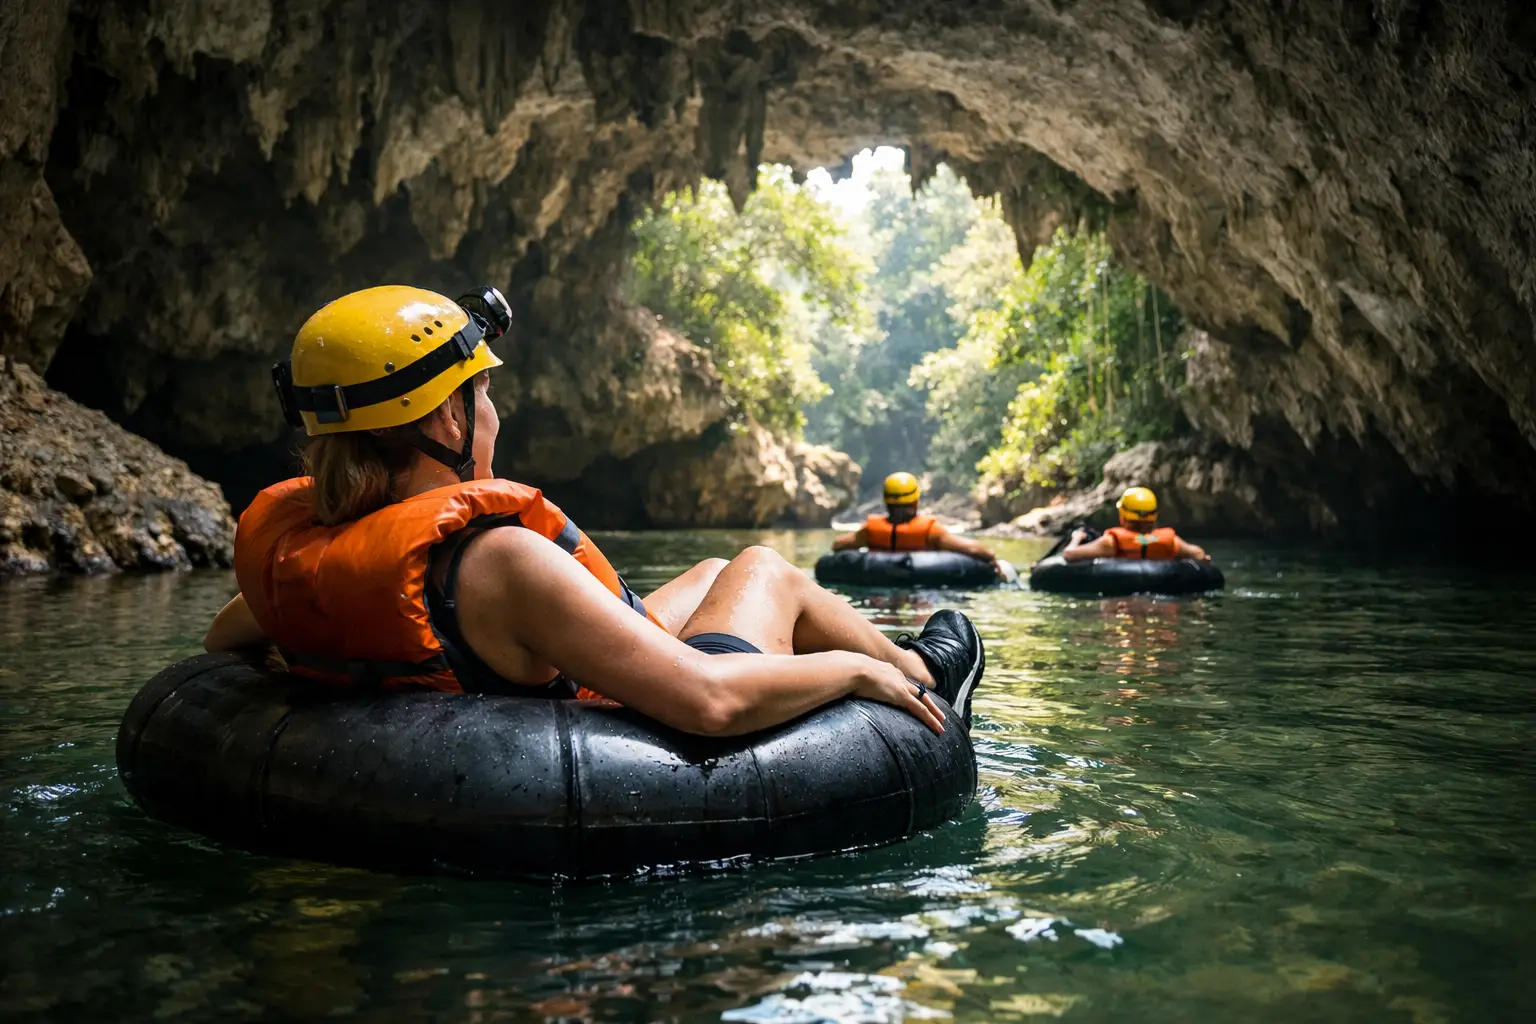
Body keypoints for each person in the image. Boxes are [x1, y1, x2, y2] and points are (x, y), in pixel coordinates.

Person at [202, 285, 985, 738]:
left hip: (482, 672)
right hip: (624, 700)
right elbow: (710, 702)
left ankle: (904, 658)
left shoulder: (316, 550)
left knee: (714, 571)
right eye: (485, 395)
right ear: (445, 421)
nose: (493, 415)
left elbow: (226, 641)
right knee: (762, 569)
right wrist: (850, 672)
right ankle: (918, 670)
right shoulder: (504, 562)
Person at [831, 472, 1001, 574]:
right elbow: (971, 548)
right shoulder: (930, 531)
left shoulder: (869, 530)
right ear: (915, 500)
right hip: (921, 585)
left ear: (886, 500)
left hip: (878, 583)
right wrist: (991, 557)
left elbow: (839, 545)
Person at [1061, 486, 1210, 562]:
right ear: (1154, 517)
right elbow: (1199, 554)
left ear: (1123, 516)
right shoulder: (1172, 542)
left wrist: (1077, 538)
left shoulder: (1111, 543)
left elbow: (1069, 555)